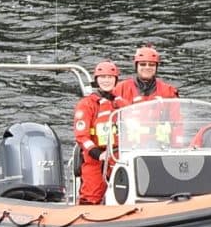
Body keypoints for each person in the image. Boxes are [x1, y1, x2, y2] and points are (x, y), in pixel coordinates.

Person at [72, 60, 126, 205]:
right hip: (95, 159)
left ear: (116, 80)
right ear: (96, 80)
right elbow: (81, 136)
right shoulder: (87, 104)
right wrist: (97, 153)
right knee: (91, 195)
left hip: (119, 157)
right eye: (103, 77)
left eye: (110, 77)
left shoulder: (121, 104)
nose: (106, 80)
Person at [114, 44, 180, 104]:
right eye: (143, 64)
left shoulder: (169, 91)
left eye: (151, 65)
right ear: (136, 67)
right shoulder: (120, 89)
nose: (147, 67)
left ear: (156, 67)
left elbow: (175, 116)